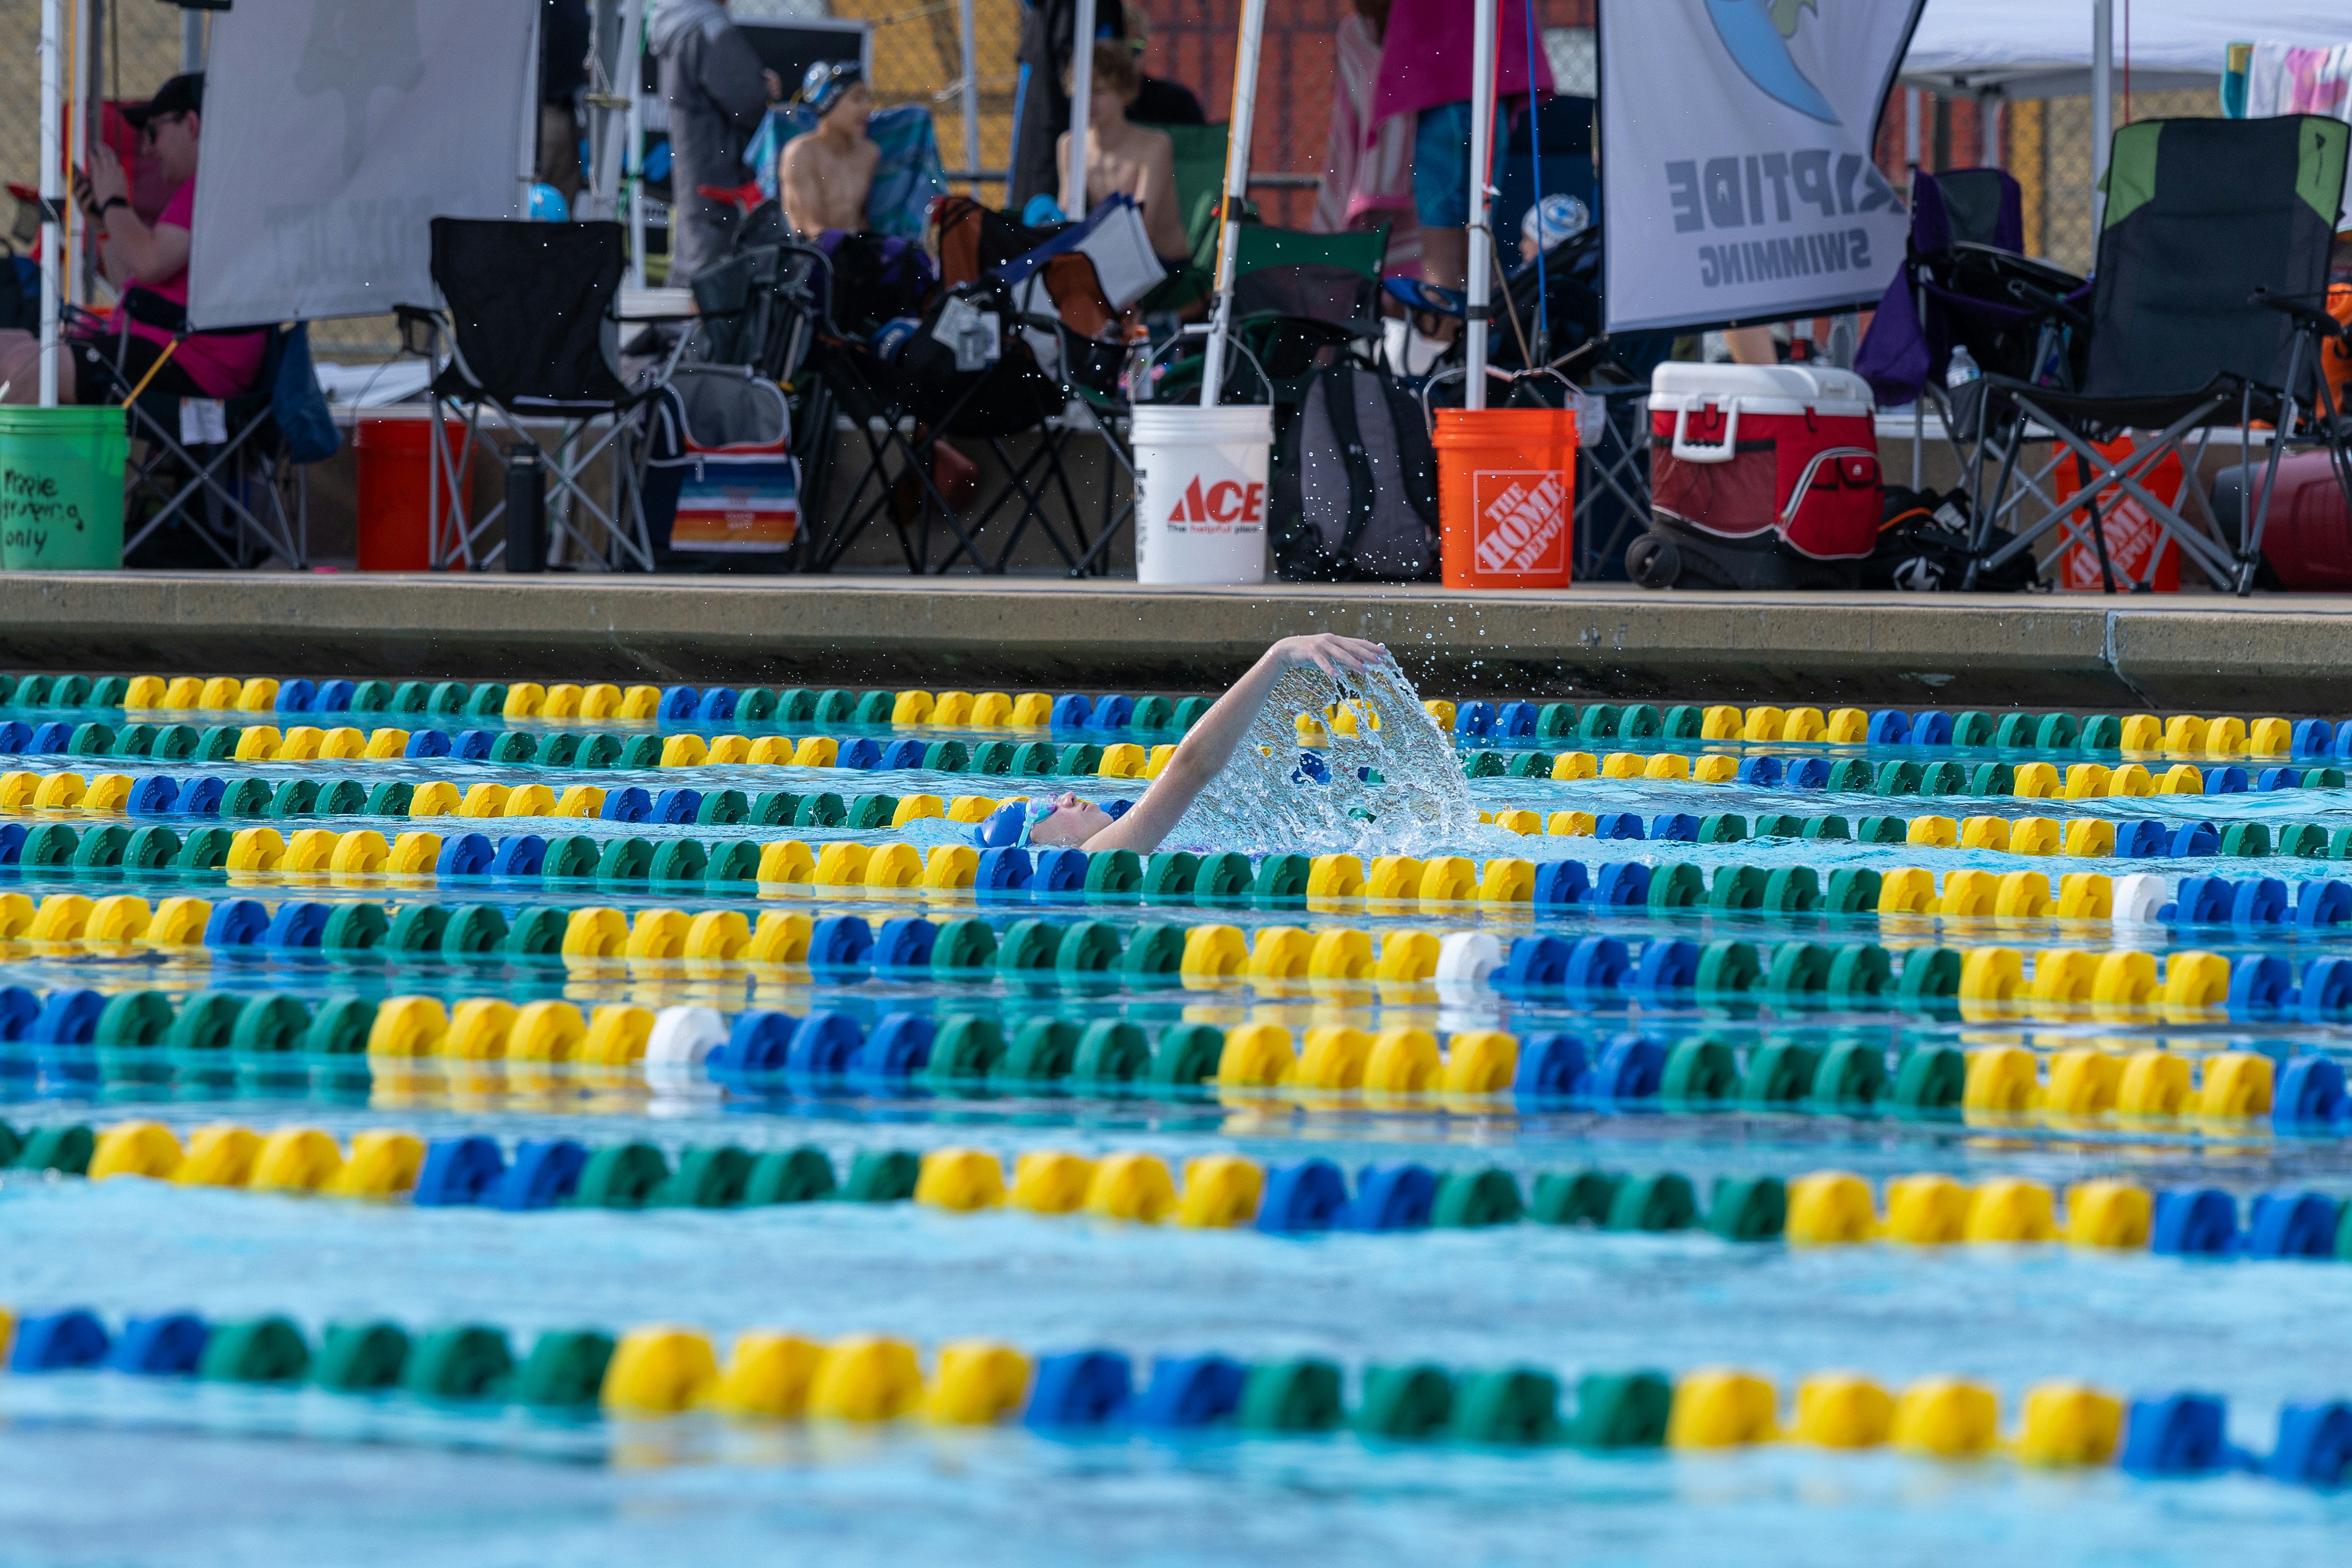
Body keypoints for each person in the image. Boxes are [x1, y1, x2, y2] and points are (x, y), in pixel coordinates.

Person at [975, 634, 1389, 856]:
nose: (1065, 796)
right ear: (1035, 845)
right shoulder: (1097, 854)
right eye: (1044, 809)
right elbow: (1191, 766)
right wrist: (1278, 657)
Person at [0, 72, 265, 406]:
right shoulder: (201, 190)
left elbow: (150, 263)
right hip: (161, 346)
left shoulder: (215, 189)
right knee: (9, 346)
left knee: (22, 368)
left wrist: (115, 203)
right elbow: (132, 281)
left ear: (192, 125)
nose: (150, 149)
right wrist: (106, 222)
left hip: (189, 362)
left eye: (154, 133)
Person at [1374, 0, 1553, 339]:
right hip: (1487, 93)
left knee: (1444, 263)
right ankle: (1485, 368)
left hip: (1445, 88)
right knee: (1478, 258)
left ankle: (1446, 378)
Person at [650, 0, 782, 287]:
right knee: (713, 264)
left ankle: (676, 327)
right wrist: (764, 90)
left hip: (695, 164)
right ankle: (689, 329)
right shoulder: (709, 28)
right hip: (721, 168)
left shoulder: (673, 22)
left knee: (695, 250)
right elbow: (746, 103)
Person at [1314, 0, 1421, 289]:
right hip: (1368, 169)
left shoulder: (1425, 24)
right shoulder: (1352, 34)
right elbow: (1351, 111)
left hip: (1422, 166)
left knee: (1420, 272)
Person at [1056, 41, 1189, 268]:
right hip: (1108, 263)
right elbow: (1064, 217)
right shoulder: (1070, 145)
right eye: (1082, 92)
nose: (1089, 102)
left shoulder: (1154, 146)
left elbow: (1141, 230)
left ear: (1125, 93)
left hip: (1166, 270)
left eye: (1099, 92)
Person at [780, 61, 879, 238]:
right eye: (857, 99)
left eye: (867, 99)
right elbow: (811, 228)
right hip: (811, 256)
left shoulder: (869, 154)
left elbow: (864, 222)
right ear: (828, 103)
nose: (867, 108)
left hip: (852, 253)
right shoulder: (801, 153)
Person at [1122, 10, 1205, 127]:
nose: (1123, 61)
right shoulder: (1089, 103)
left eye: (1134, 50)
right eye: (1115, 53)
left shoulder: (1177, 103)